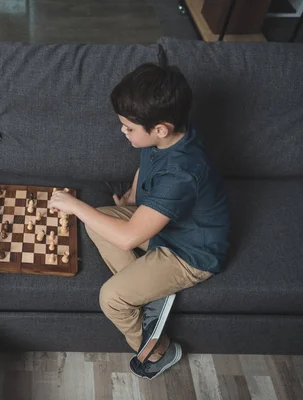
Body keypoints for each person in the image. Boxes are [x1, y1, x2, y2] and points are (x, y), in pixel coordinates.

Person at [49, 63, 230, 380]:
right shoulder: (169, 137)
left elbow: (128, 239)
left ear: (160, 128)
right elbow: (146, 164)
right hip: (168, 229)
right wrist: (132, 198)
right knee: (102, 218)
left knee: (112, 298)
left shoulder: (181, 172)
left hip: (191, 253)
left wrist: (75, 205)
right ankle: (150, 289)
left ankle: (160, 352)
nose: (123, 131)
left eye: (129, 128)